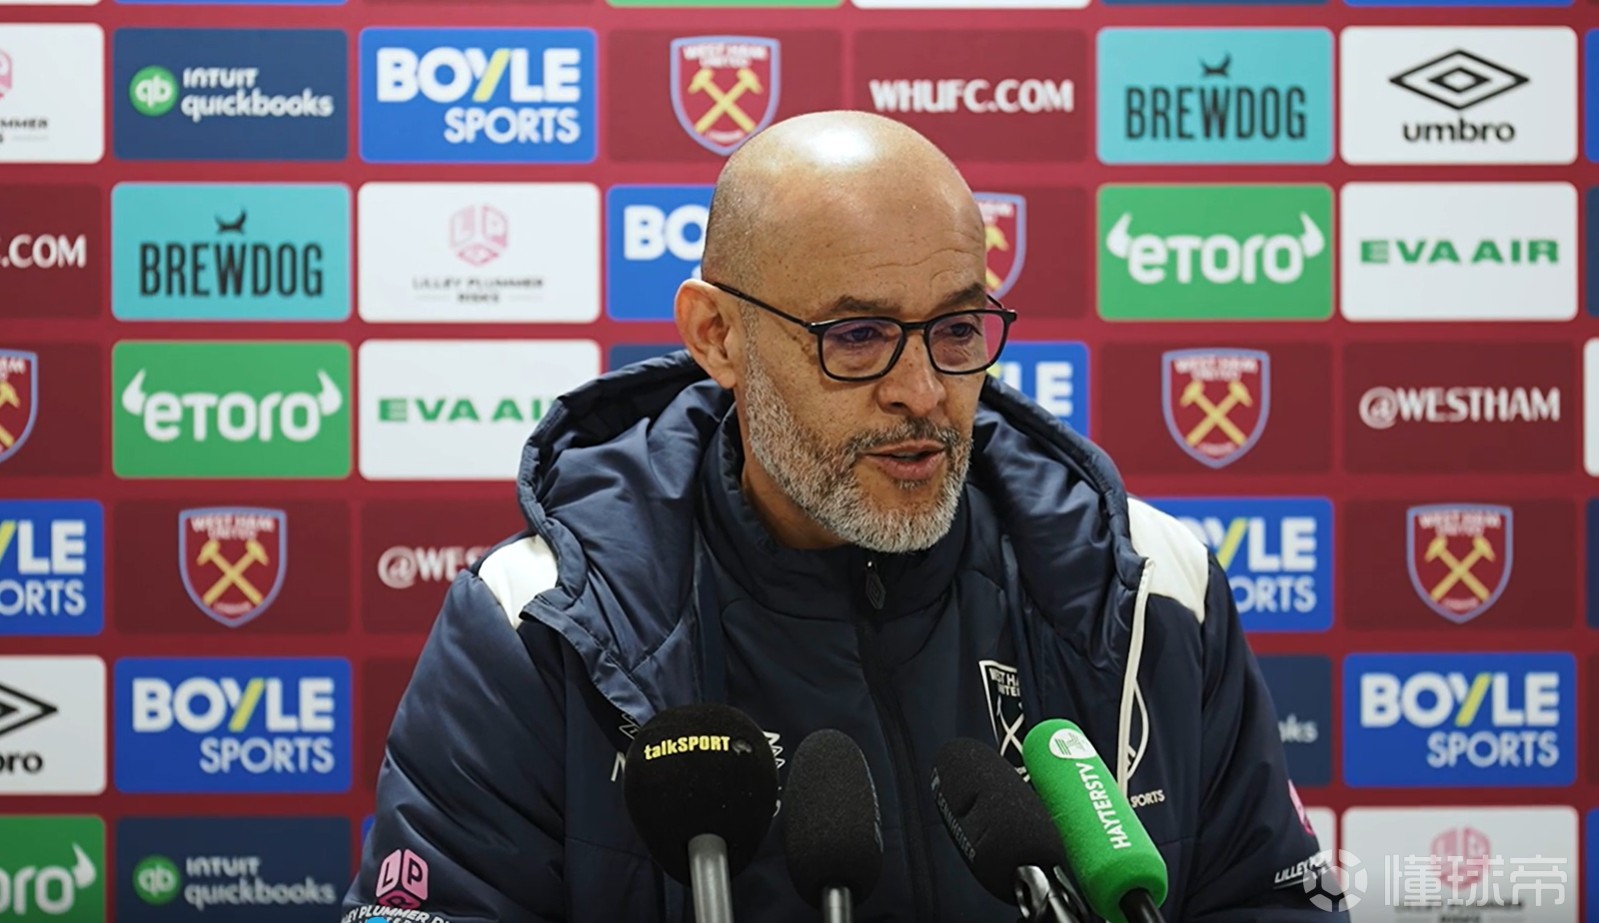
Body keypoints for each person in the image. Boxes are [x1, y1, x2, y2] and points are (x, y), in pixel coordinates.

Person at [342, 110, 1344, 922]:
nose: (923, 389)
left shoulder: (1147, 585)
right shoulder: (539, 624)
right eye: (856, 336)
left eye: (957, 327)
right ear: (717, 335)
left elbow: (1266, 901)